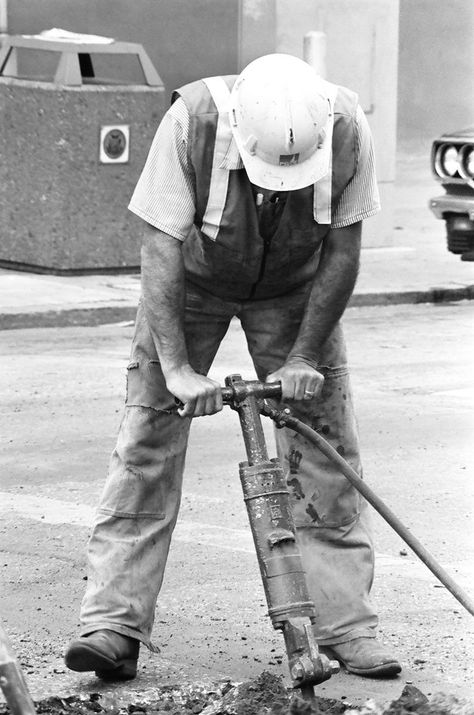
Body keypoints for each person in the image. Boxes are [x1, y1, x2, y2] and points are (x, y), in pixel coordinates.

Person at [64, 53, 401, 681]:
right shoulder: (193, 119)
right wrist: (176, 369)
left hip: (295, 286)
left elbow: (344, 249)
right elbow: (159, 244)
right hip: (192, 282)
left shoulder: (347, 126)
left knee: (325, 450)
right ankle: (113, 624)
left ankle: (344, 628)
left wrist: (304, 355)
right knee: (147, 444)